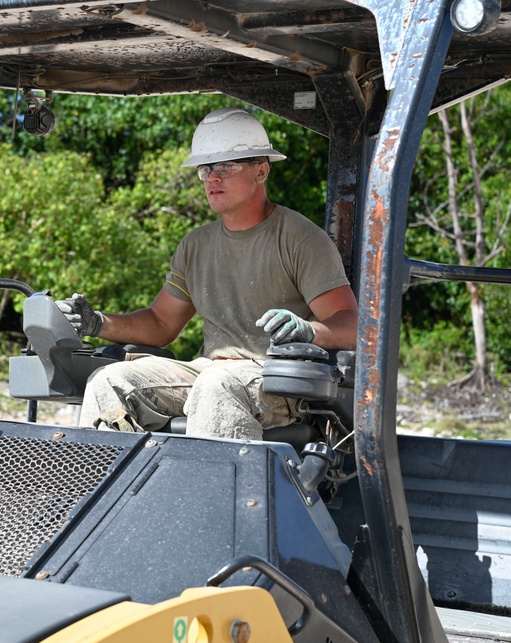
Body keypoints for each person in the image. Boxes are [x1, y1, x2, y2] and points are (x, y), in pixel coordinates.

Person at [57, 107, 358, 439]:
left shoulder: (300, 238)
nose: (213, 178)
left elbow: (352, 324)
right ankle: (111, 489)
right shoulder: (196, 245)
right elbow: (160, 324)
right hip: (208, 372)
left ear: (261, 171)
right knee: (108, 382)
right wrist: (97, 322)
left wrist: (307, 331)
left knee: (217, 386)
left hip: (275, 378)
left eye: (225, 167)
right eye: (206, 168)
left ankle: (211, 490)